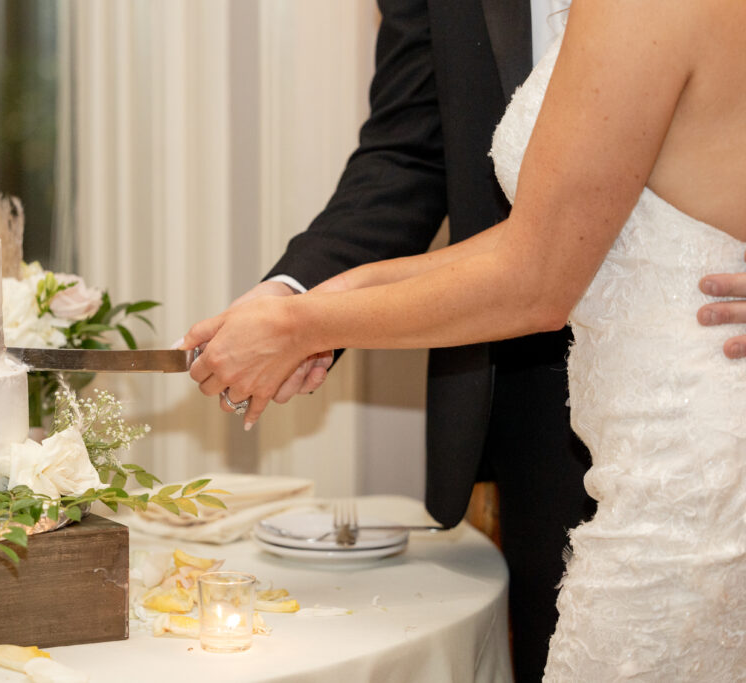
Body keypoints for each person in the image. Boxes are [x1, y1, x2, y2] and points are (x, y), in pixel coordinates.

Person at [184, 0, 746, 678]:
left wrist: (304, 326)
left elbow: (537, 277)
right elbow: (447, 178)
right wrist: (309, 300)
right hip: (613, 435)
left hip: (687, 456)